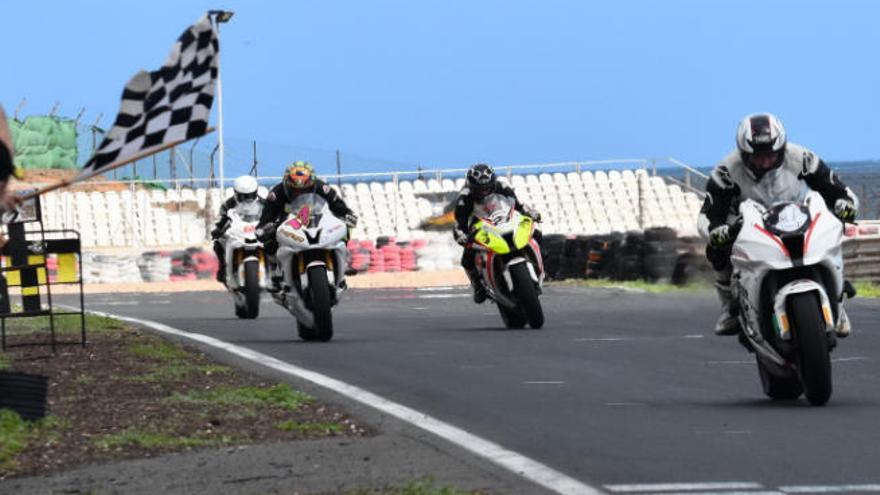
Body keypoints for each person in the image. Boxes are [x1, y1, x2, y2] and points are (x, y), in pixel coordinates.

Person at [698, 113, 858, 336]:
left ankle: (838, 304)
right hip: (749, 223)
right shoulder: (726, 171)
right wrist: (715, 231)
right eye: (757, 157)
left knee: (833, 232)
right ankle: (729, 307)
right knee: (715, 249)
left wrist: (845, 204)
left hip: (797, 216)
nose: (765, 161)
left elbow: (837, 190)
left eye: (771, 155)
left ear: (781, 148)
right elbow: (708, 215)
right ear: (744, 154)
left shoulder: (802, 158)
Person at [256, 161, 358, 290]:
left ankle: (343, 260)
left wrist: (348, 214)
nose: (300, 193)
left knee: (344, 226)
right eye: (295, 191)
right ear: (287, 185)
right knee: (269, 238)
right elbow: (266, 217)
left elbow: (338, 204)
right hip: (288, 221)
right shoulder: (276, 194)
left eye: (305, 189)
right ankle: (274, 272)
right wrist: (265, 228)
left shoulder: (323, 188)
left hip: (318, 216)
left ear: (313, 184)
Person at [453, 163, 542, 303]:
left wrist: (530, 213)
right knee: (466, 260)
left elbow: (519, 205)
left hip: (504, 220)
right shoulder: (464, 199)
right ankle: (477, 286)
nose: (483, 192)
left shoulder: (502, 186)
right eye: (479, 189)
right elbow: (459, 224)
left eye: (487, 188)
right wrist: (462, 236)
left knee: (536, 231)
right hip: (480, 227)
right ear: (471, 186)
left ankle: (541, 260)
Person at [211, 175, 265, 284]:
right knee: (218, 243)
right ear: (236, 193)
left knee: (275, 241)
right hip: (238, 230)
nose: (247, 198)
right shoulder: (228, 204)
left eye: (250, 195)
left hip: (257, 229)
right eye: (243, 196)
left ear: (256, 192)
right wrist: (218, 228)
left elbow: (271, 214)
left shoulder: (263, 203)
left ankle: (276, 270)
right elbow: (221, 218)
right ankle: (223, 268)